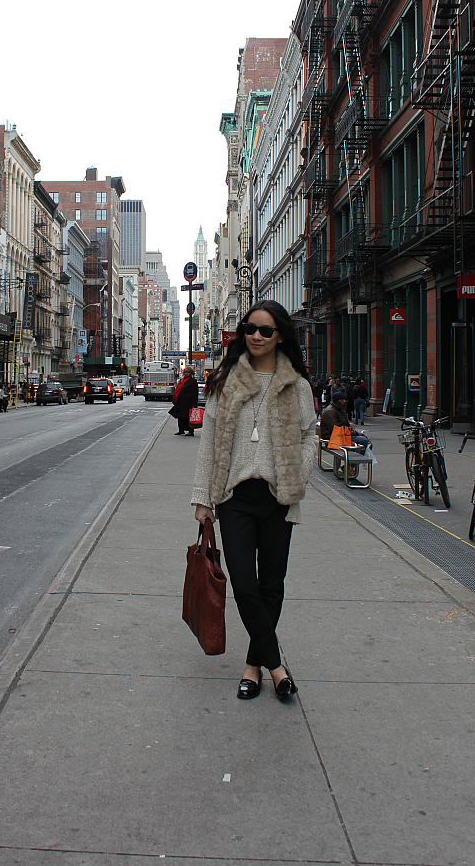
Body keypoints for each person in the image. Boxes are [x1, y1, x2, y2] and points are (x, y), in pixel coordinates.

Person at [191, 300, 317, 703]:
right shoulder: (226, 381)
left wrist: (300, 468)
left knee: (271, 584)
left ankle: (253, 666)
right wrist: (202, 499)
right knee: (244, 584)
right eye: (250, 329)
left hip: (278, 497)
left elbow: (311, 435)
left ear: (280, 335)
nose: (256, 337)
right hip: (235, 498)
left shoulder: (296, 384)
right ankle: (277, 667)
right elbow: (208, 442)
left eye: (265, 330)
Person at [320, 389, 369, 457]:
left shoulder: (340, 410)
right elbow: (337, 429)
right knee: (363, 441)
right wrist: (356, 434)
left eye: (345, 399)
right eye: (342, 400)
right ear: (336, 401)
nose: (344, 401)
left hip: (342, 436)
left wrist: (356, 433)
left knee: (367, 442)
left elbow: (347, 426)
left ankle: (351, 463)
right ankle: (351, 463)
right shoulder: (330, 411)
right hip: (333, 438)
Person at [172, 366, 198, 435]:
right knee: (180, 417)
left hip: (188, 403)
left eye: (188, 372)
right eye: (185, 372)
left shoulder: (193, 381)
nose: (186, 374)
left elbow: (195, 393)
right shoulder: (182, 380)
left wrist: (195, 404)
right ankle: (181, 430)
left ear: (191, 373)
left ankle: (190, 431)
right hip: (180, 403)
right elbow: (178, 390)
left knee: (188, 417)